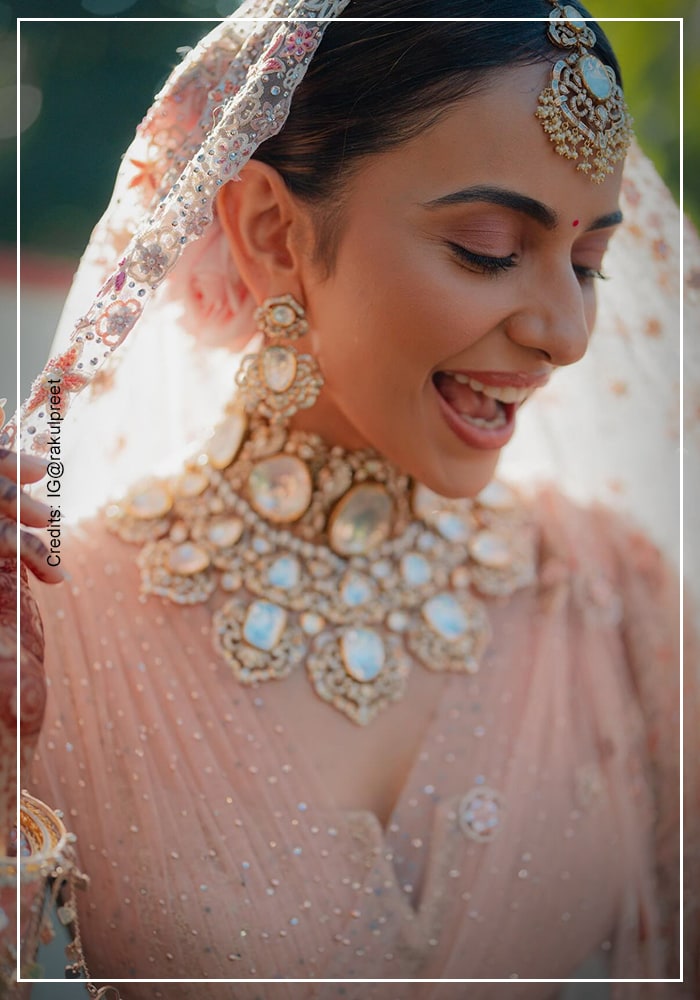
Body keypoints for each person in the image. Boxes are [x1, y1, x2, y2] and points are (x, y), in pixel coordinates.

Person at [0, 0, 697, 996]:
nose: (565, 332)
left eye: (588, 265)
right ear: (271, 231)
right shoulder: (45, 634)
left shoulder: (612, 596)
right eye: (491, 248)